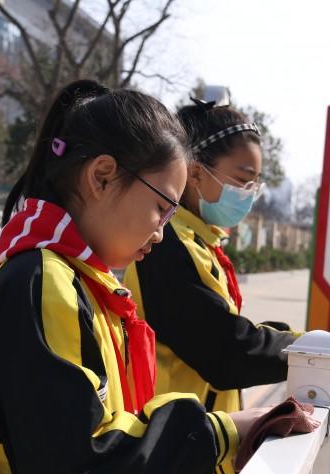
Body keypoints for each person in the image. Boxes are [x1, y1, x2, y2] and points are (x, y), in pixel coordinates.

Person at [0, 81, 266, 474]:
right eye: (162, 208)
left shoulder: (85, 286)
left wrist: (217, 458)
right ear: (102, 176)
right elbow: (80, 469)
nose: (162, 232)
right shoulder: (44, 283)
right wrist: (220, 435)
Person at [123, 98, 300, 417]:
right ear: (195, 172)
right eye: (242, 179)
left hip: (198, 434)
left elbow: (225, 328)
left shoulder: (201, 240)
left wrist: (295, 340)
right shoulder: (165, 242)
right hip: (171, 438)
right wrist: (305, 352)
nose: (248, 194)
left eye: (254, 184)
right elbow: (224, 352)